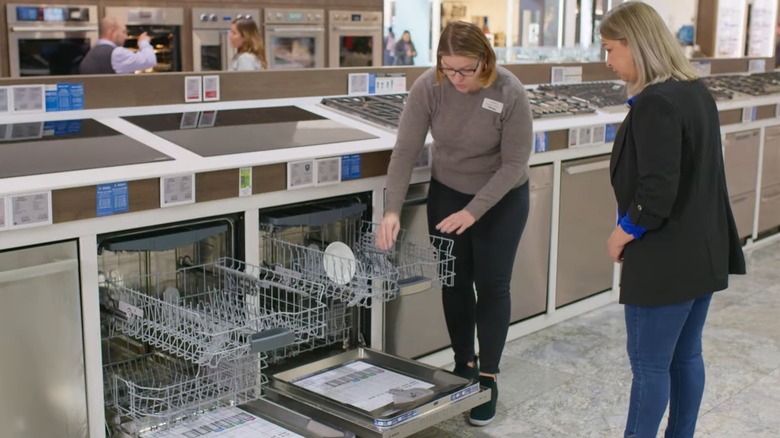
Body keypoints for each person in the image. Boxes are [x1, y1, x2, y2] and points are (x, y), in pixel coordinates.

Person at [600, 3, 746, 437]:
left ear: (636, 45)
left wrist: (622, 234)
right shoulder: (693, 91)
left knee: (649, 366)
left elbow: (656, 192)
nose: (606, 61)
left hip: (666, 259)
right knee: (685, 357)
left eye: (610, 49)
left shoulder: (656, 103)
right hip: (702, 253)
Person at [376, 21, 533, 427]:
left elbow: (515, 163)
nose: (457, 79)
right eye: (449, 69)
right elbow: (405, 150)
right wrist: (391, 209)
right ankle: (464, 362)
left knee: (493, 284)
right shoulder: (429, 87)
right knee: (454, 281)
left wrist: (475, 210)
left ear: (485, 59)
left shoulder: (509, 91)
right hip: (448, 192)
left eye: (466, 69)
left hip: (501, 198)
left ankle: (487, 376)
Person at [79, 16, 156, 74]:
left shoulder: (93, 51)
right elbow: (149, 61)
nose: (126, 37)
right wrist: (144, 42)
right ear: (112, 32)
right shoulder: (116, 54)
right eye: (123, 32)